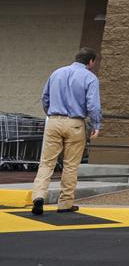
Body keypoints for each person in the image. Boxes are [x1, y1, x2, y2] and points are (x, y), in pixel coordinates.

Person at [30, 49, 102, 215]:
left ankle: (39, 196)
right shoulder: (90, 78)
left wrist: (51, 114)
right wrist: (96, 124)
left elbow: (45, 97)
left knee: (47, 162)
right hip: (75, 123)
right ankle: (65, 203)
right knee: (70, 165)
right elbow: (93, 105)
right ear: (90, 62)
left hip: (54, 121)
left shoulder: (57, 73)